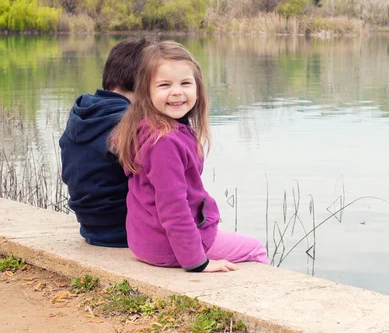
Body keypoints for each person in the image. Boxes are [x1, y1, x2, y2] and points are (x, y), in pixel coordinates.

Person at [110, 40, 268, 272]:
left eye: (185, 83)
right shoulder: (163, 142)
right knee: (255, 249)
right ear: (145, 92)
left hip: (147, 241)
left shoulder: (149, 127)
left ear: (197, 89)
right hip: (169, 247)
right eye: (164, 85)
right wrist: (197, 262)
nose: (177, 91)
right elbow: (173, 208)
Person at [59, 38, 152, 248]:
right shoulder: (131, 122)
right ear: (147, 82)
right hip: (127, 231)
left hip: (91, 228)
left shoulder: (82, 114)